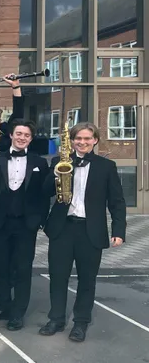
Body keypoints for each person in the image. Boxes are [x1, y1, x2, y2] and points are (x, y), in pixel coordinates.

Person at [39, 122, 126, 342]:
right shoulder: (60, 161)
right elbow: (45, 191)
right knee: (58, 277)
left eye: (87, 139)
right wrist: (56, 172)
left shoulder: (107, 167)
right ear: (72, 140)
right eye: (78, 138)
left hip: (91, 230)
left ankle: (80, 323)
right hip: (63, 228)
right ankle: (56, 318)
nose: (83, 142)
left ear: (95, 140)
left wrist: (119, 230)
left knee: (87, 279)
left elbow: (117, 201)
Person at [0, 119, 49, 331]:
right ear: (11, 135)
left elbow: (44, 196)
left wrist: (39, 220)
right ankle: (3, 307)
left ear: (31, 138)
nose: (22, 138)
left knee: (23, 269)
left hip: (26, 224)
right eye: (19, 133)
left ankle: (18, 313)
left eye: (26, 135)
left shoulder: (40, 163)